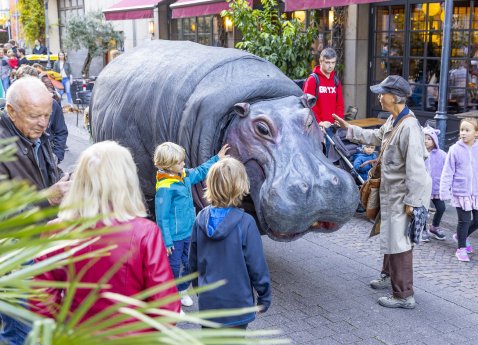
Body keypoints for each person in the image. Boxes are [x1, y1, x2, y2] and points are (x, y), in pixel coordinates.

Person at [32, 141, 181, 324]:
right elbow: (167, 311)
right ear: (127, 181)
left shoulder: (58, 230)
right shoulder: (145, 234)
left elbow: (41, 305)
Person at [333, 75, 431, 309]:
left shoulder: (409, 126)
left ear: (395, 98)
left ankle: (404, 295)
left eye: (382, 92)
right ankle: (388, 276)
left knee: (400, 243)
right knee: (391, 235)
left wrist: (412, 202)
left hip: (402, 194)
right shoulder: (396, 119)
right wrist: (350, 129)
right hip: (393, 192)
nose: (379, 96)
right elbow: (377, 137)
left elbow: (417, 170)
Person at [0, 77, 71, 344]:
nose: (43, 123)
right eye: (34, 116)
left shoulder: (35, 132)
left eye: (47, 114)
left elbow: (45, 171)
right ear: (11, 111)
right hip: (16, 259)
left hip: (43, 248)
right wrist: (47, 197)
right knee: (21, 332)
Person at [189, 157, 271, 329]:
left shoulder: (200, 219)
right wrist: (264, 297)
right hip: (237, 306)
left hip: (209, 305)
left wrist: (199, 290)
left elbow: (193, 263)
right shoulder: (246, 223)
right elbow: (257, 266)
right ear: (240, 185)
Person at [153, 142, 229, 309]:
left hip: (189, 232)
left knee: (188, 264)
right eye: (180, 162)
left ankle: (181, 291)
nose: (184, 164)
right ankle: (170, 300)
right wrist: (166, 241)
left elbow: (201, 171)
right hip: (174, 238)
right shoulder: (165, 188)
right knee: (173, 267)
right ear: (168, 165)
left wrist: (217, 158)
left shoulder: (183, 175)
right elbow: (162, 217)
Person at [440, 118, 478, 262]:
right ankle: (461, 248)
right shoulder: (454, 149)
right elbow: (447, 172)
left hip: (476, 192)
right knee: (464, 221)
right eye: (462, 130)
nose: (463, 133)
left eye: (467, 130)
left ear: (476, 133)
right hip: (460, 192)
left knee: (477, 220)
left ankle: (460, 236)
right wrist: (444, 191)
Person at [15, 67, 68, 163]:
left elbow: (61, 131)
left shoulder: (52, 104)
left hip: (45, 159)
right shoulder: (11, 107)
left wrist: (56, 155)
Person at [303, 47, 345, 154]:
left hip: (332, 128)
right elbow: (308, 105)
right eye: (327, 62)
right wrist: (320, 123)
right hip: (317, 129)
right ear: (321, 61)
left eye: (333, 63)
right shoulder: (312, 80)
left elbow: (340, 104)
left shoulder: (336, 81)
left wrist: (338, 120)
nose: (330, 66)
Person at [421, 125, 447, 242]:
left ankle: (434, 227)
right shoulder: (418, 152)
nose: (426, 141)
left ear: (434, 140)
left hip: (436, 188)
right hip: (423, 187)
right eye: (424, 138)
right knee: (423, 210)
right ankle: (422, 229)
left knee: (441, 208)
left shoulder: (441, 154)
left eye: (429, 138)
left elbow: (449, 167)